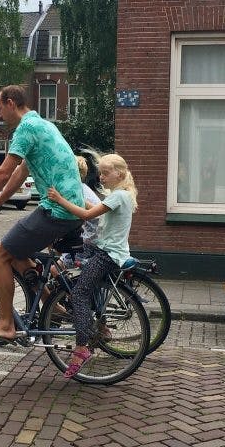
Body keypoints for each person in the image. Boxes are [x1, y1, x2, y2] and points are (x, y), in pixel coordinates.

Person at [0, 85, 84, 343]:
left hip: (57, 209)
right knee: (16, 253)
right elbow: (21, 173)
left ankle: (6, 325)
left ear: (10, 103)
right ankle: (54, 307)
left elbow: (4, 172)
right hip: (69, 207)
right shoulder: (42, 125)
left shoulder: (26, 129)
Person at [46, 153, 138, 378]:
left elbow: (87, 214)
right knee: (71, 278)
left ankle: (82, 346)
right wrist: (71, 196)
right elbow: (90, 208)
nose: (102, 177)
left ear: (120, 173)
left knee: (79, 294)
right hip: (102, 251)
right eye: (101, 172)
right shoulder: (120, 195)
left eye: (106, 173)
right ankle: (89, 326)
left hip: (107, 255)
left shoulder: (118, 197)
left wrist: (60, 200)